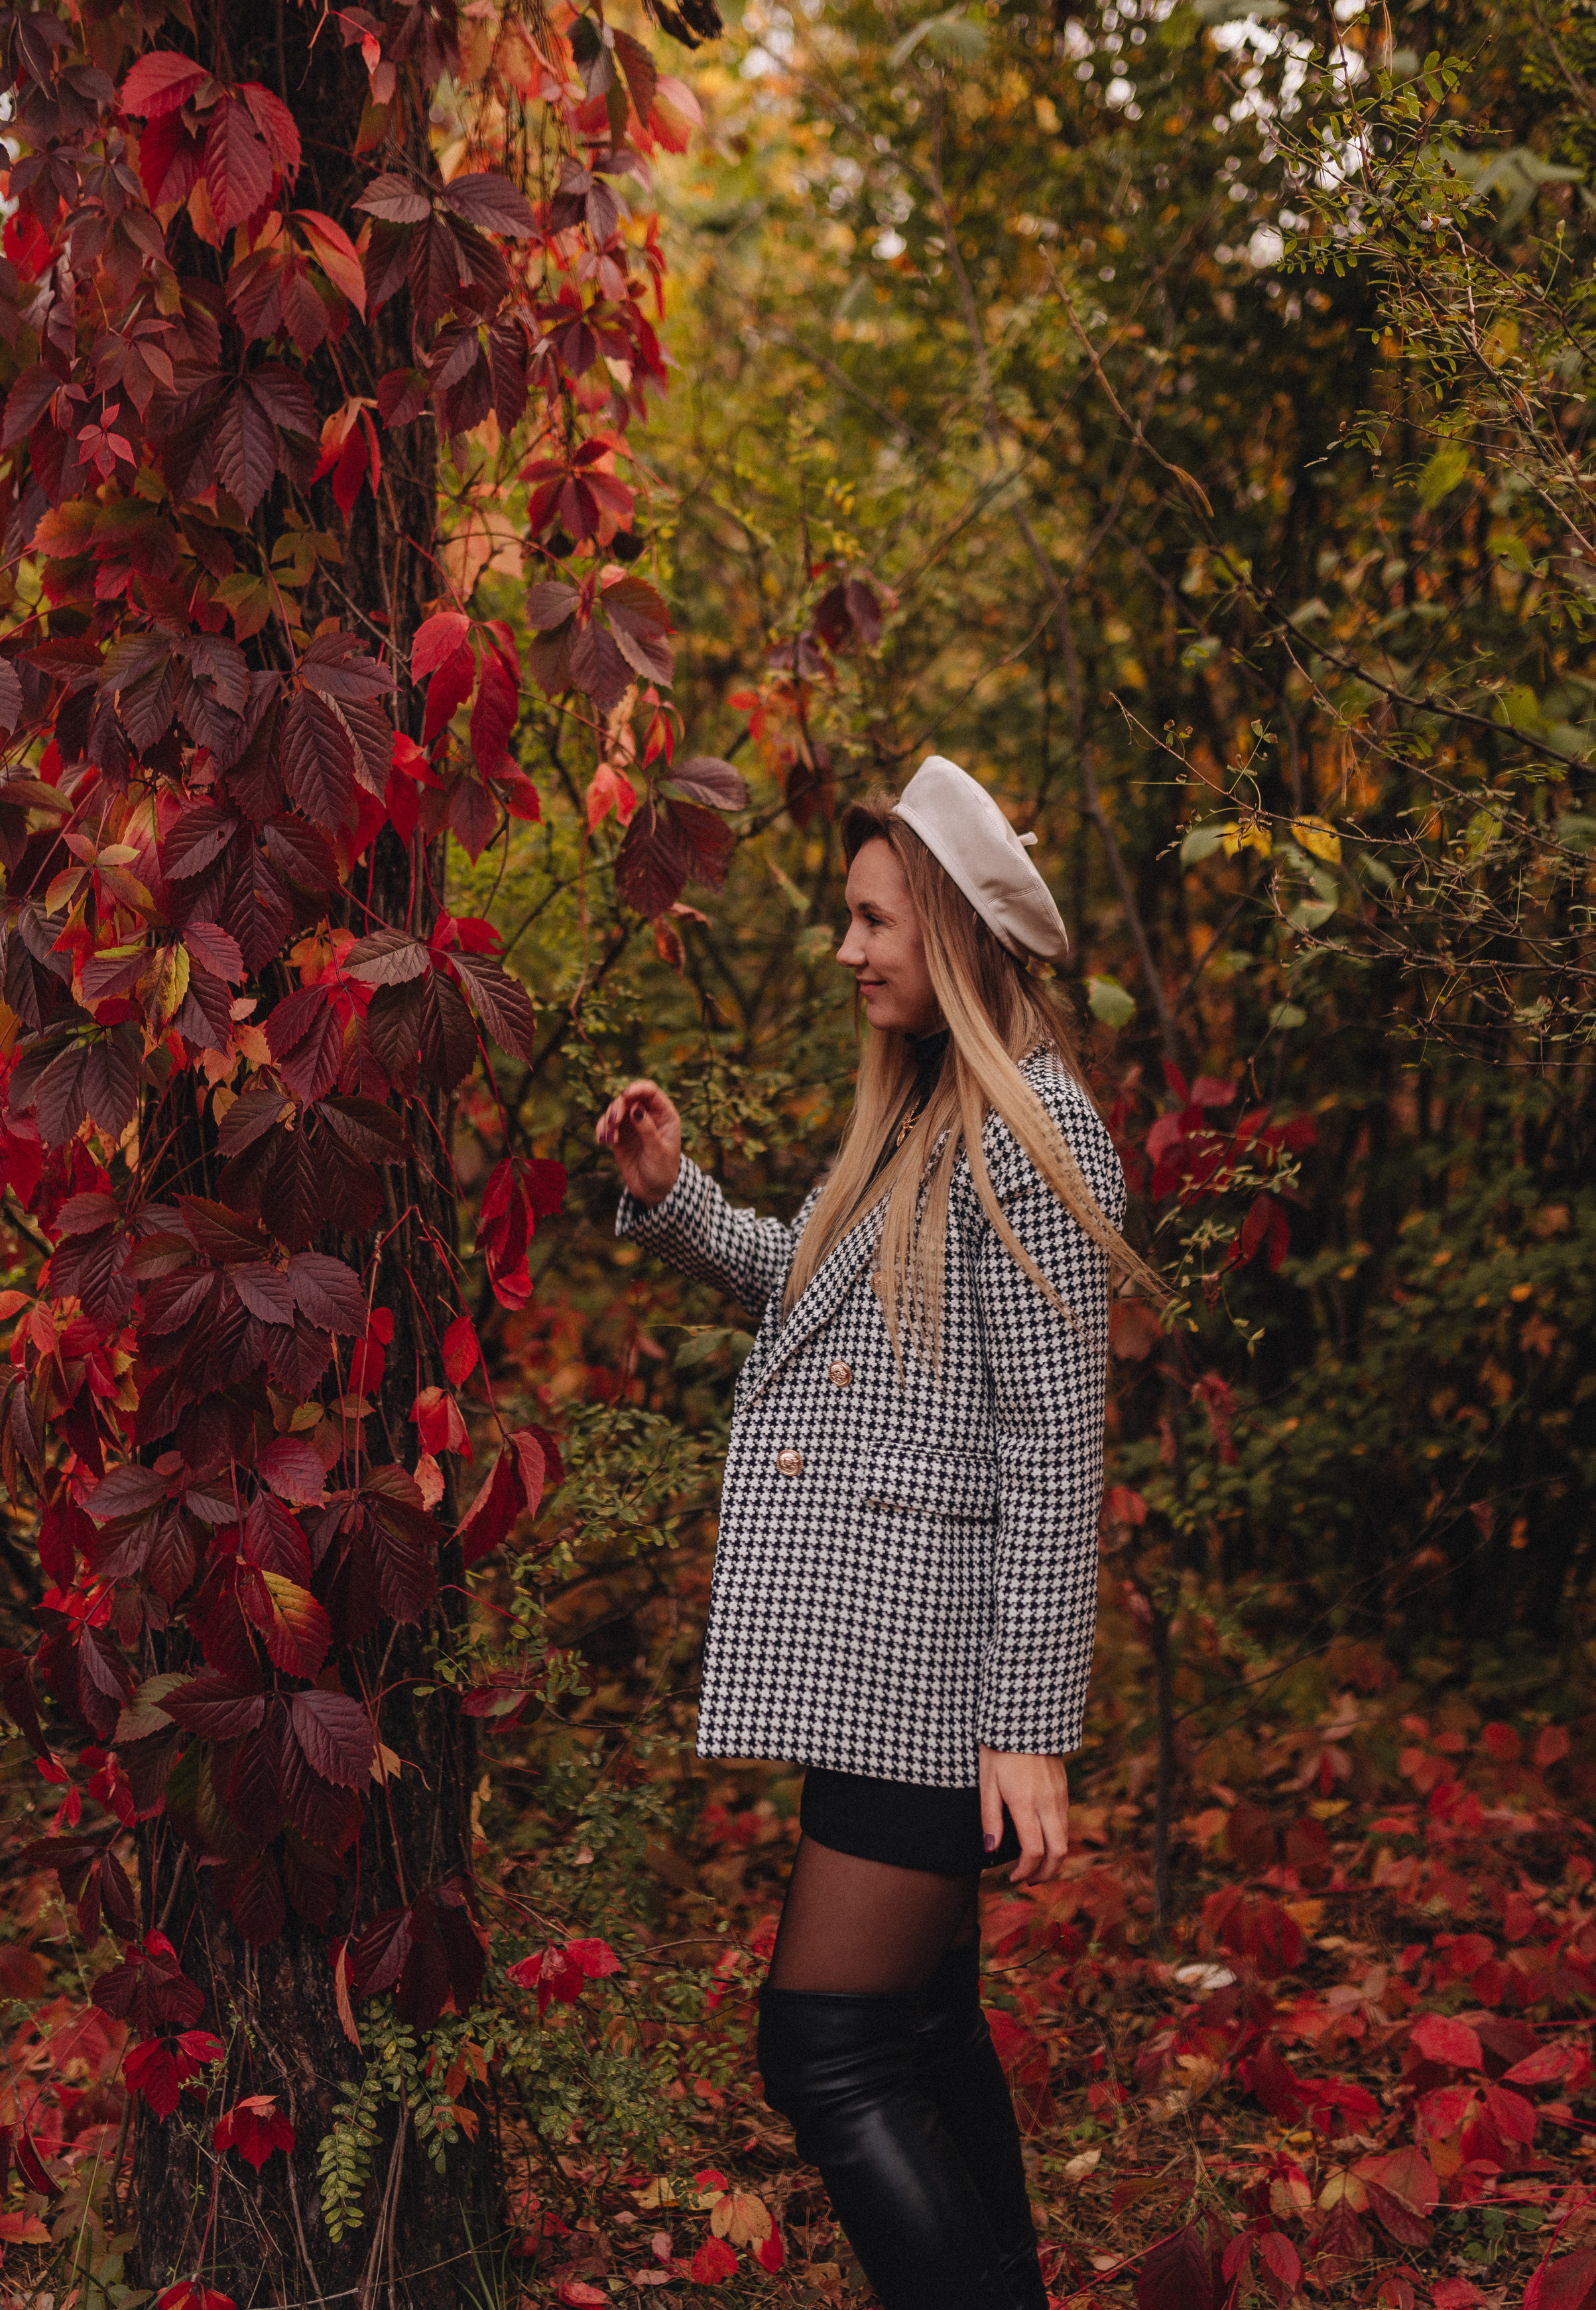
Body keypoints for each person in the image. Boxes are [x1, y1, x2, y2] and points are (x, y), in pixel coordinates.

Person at [596, 755, 1156, 2310]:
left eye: (868, 918)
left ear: (953, 927)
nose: (845, 949)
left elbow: (1055, 1450)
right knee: (916, 2034)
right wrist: (676, 1195)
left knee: (825, 2047)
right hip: (884, 1665)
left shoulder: (1032, 1131)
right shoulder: (928, 1113)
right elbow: (824, 1297)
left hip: (937, 1681)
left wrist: (1029, 1731)